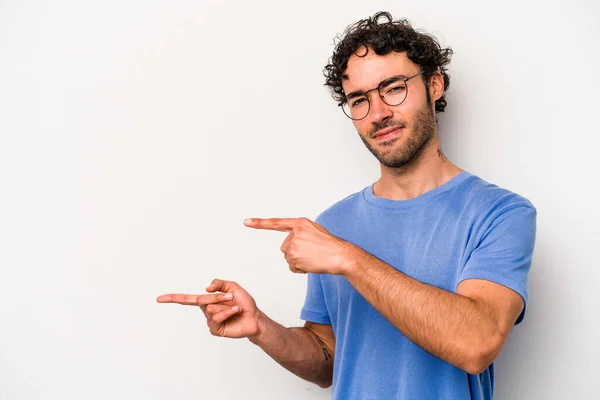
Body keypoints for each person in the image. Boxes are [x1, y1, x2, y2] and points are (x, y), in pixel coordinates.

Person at [157, 11, 537, 400]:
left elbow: (476, 345)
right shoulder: (333, 225)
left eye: (393, 88)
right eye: (359, 99)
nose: (378, 113)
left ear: (434, 85)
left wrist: (348, 259)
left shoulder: (500, 214)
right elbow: (329, 361)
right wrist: (260, 328)